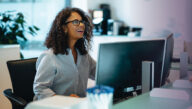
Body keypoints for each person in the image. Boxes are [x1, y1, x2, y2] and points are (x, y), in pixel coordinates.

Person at [33, 7, 96, 100]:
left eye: (82, 22)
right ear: (64, 28)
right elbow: (40, 88)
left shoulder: (83, 55)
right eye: (76, 22)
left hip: (78, 105)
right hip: (54, 106)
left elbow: (99, 73)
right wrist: (64, 100)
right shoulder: (50, 56)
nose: (82, 25)